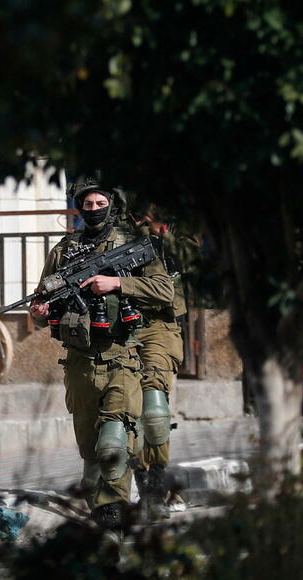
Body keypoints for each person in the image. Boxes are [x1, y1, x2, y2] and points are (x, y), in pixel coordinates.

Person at [30, 177, 173, 537]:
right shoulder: (64, 249)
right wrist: (39, 311)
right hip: (78, 362)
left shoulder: (132, 244)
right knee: (91, 452)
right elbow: (41, 298)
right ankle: (102, 517)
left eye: (99, 203)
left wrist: (117, 284)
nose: (93, 210)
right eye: (87, 205)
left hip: (122, 356)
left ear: (111, 202)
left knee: (114, 442)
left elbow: (163, 290)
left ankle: (116, 514)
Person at [132, 204, 199, 521]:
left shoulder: (180, 222)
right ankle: (132, 488)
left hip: (160, 323)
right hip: (120, 322)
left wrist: (159, 229)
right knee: (123, 412)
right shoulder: (120, 217)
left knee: (154, 409)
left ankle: (155, 492)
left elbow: (187, 258)